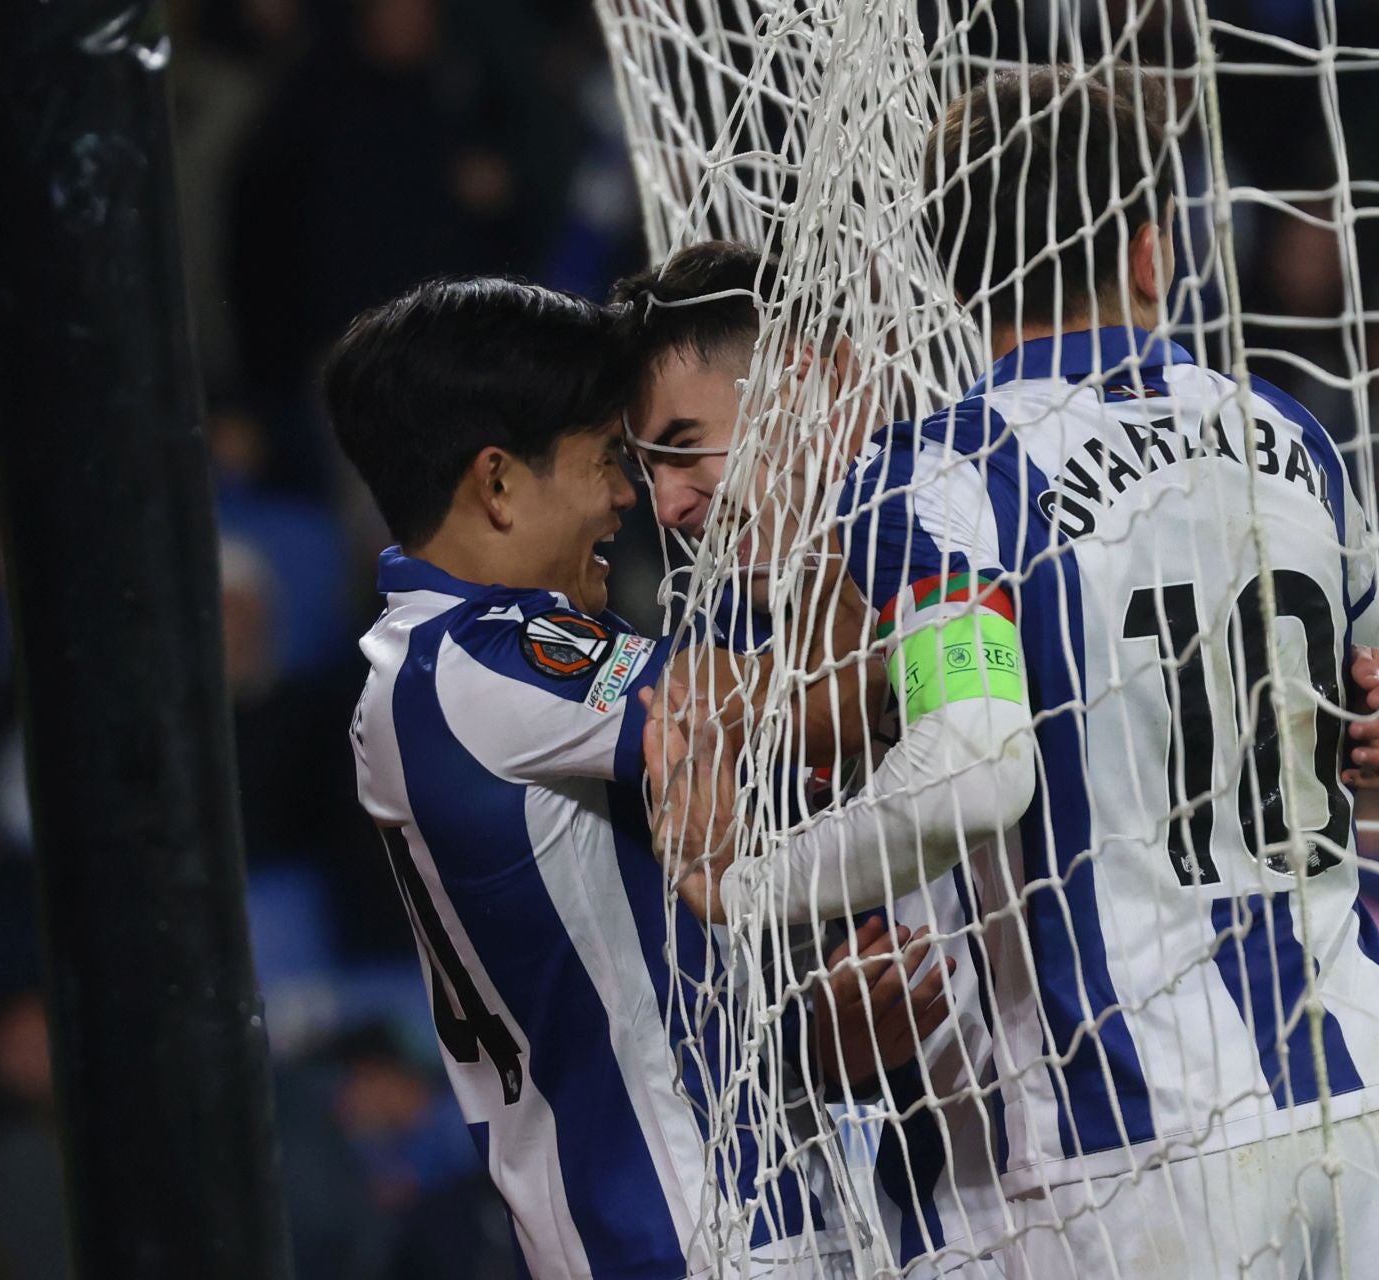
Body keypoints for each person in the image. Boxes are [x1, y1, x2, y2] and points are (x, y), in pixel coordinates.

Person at [648, 67, 1379, 1279]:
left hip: (1127, 1147)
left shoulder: (947, 475)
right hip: (1372, 1101)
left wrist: (747, 883)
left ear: (958, 277)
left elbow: (974, 768)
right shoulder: (1281, 428)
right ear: (1152, 249)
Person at [325, 276, 943, 1279]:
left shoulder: (462, 671)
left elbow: (635, 995)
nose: (633, 498)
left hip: (742, 1218)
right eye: (608, 458)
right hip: (681, 1243)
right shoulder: (475, 662)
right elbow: (825, 693)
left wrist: (810, 1047)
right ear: (497, 482)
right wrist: (820, 465)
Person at [614, 242, 1013, 1278]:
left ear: (823, 380)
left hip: (1152, 1153)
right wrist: (823, 1048)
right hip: (947, 1219)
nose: (670, 505)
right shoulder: (729, 683)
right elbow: (800, 1045)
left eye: (686, 443)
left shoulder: (994, 520)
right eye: (647, 469)